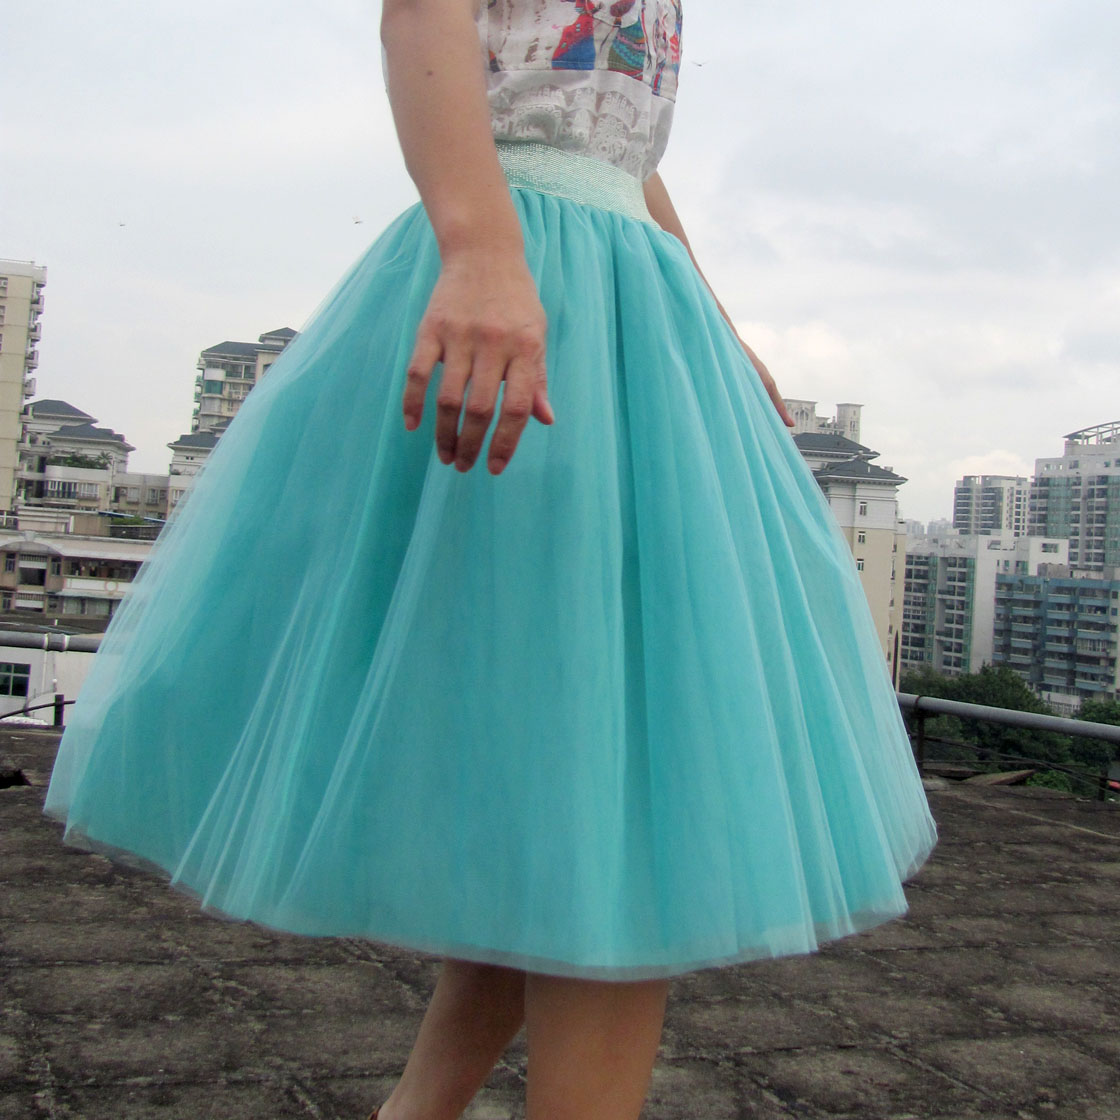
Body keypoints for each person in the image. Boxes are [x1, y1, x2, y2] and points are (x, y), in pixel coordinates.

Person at [45, 1, 938, 1117]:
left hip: (619, 296)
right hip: (533, 284)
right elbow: (422, 13)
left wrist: (709, 313)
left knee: (561, 772)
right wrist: (478, 247)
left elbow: (615, 142)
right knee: (621, 780)